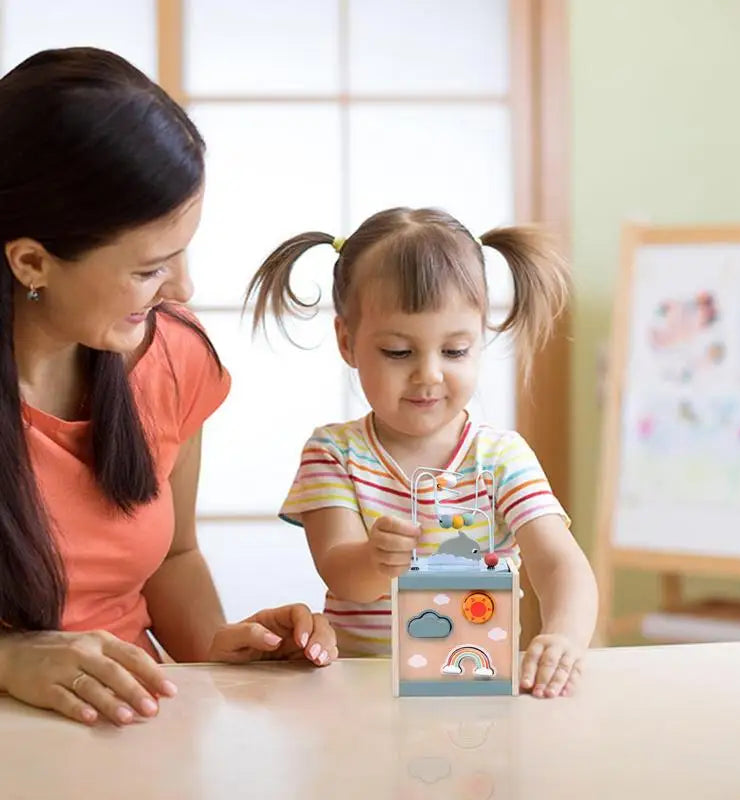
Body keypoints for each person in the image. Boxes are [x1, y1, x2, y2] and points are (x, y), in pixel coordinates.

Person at [0, 47, 336, 728]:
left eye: (182, 252)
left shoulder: (174, 358)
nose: (183, 290)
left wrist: (219, 648)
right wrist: (14, 660)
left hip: (135, 735)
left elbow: (173, 558)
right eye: (150, 268)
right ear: (32, 260)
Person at [246, 206, 597, 699]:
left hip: (474, 688)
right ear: (347, 341)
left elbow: (560, 563)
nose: (429, 374)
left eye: (454, 351)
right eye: (398, 352)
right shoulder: (334, 452)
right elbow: (342, 575)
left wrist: (563, 636)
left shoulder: (500, 456)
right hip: (359, 695)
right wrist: (375, 558)